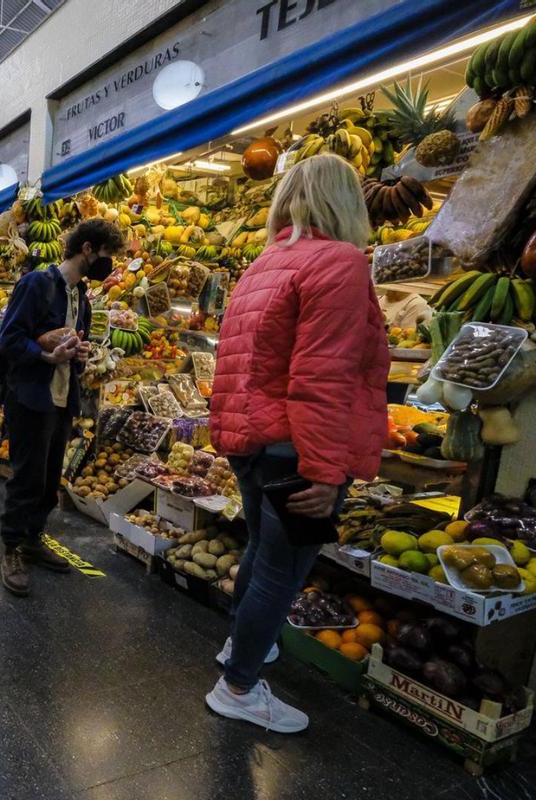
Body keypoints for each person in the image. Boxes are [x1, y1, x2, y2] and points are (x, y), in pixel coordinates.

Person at [207, 153, 389, 733]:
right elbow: (323, 376)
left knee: (262, 551)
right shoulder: (339, 262)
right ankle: (238, 685)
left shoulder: (266, 262)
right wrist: (325, 469)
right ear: (347, 202)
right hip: (294, 446)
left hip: (251, 440)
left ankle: (241, 645)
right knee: (281, 573)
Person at [0, 219, 124, 596]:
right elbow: (10, 339)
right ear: (87, 249)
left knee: (50, 480)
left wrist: (79, 355)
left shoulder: (79, 296)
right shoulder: (37, 284)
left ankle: (33, 538)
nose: (108, 264)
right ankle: (11, 549)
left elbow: (71, 349)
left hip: (61, 399)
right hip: (30, 397)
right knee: (26, 478)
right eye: (106, 255)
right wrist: (46, 355)